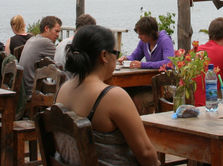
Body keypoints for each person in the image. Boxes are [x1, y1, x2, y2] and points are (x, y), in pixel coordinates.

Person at [55, 24, 158, 166]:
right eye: (116, 53)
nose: (117, 58)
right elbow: (146, 154)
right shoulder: (112, 97)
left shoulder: (63, 89)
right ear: (104, 55)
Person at [19, 15, 61, 98]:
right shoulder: (46, 42)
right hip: (32, 92)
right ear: (47, 29)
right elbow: (61, 60)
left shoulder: (32, 39)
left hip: (23, 89)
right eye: (56, 31)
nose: (58, 35)